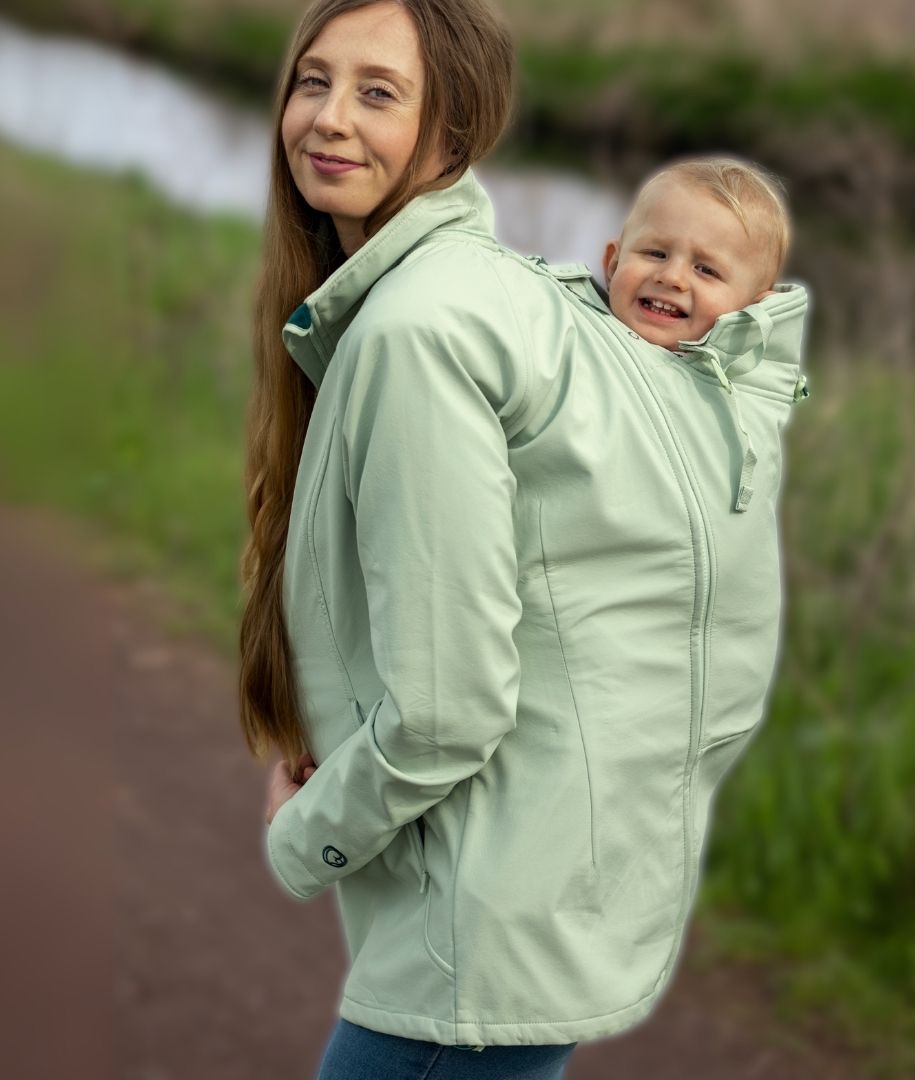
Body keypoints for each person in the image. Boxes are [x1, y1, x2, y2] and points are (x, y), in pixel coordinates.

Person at [239, 1, 810, 1077]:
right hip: (540, 907)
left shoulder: (422, 326)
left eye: (378, 92)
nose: (329, 118)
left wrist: (306, 834)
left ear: (455, 126)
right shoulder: (490, 295)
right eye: (314, 80)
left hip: (477, 946)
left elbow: (447, 711)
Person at [602, 156, 791, 351]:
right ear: (613, 265)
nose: (671, 277)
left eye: (705, 270)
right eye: (656, 254)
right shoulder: (580, 332)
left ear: (753, 313)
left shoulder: (749, 372)